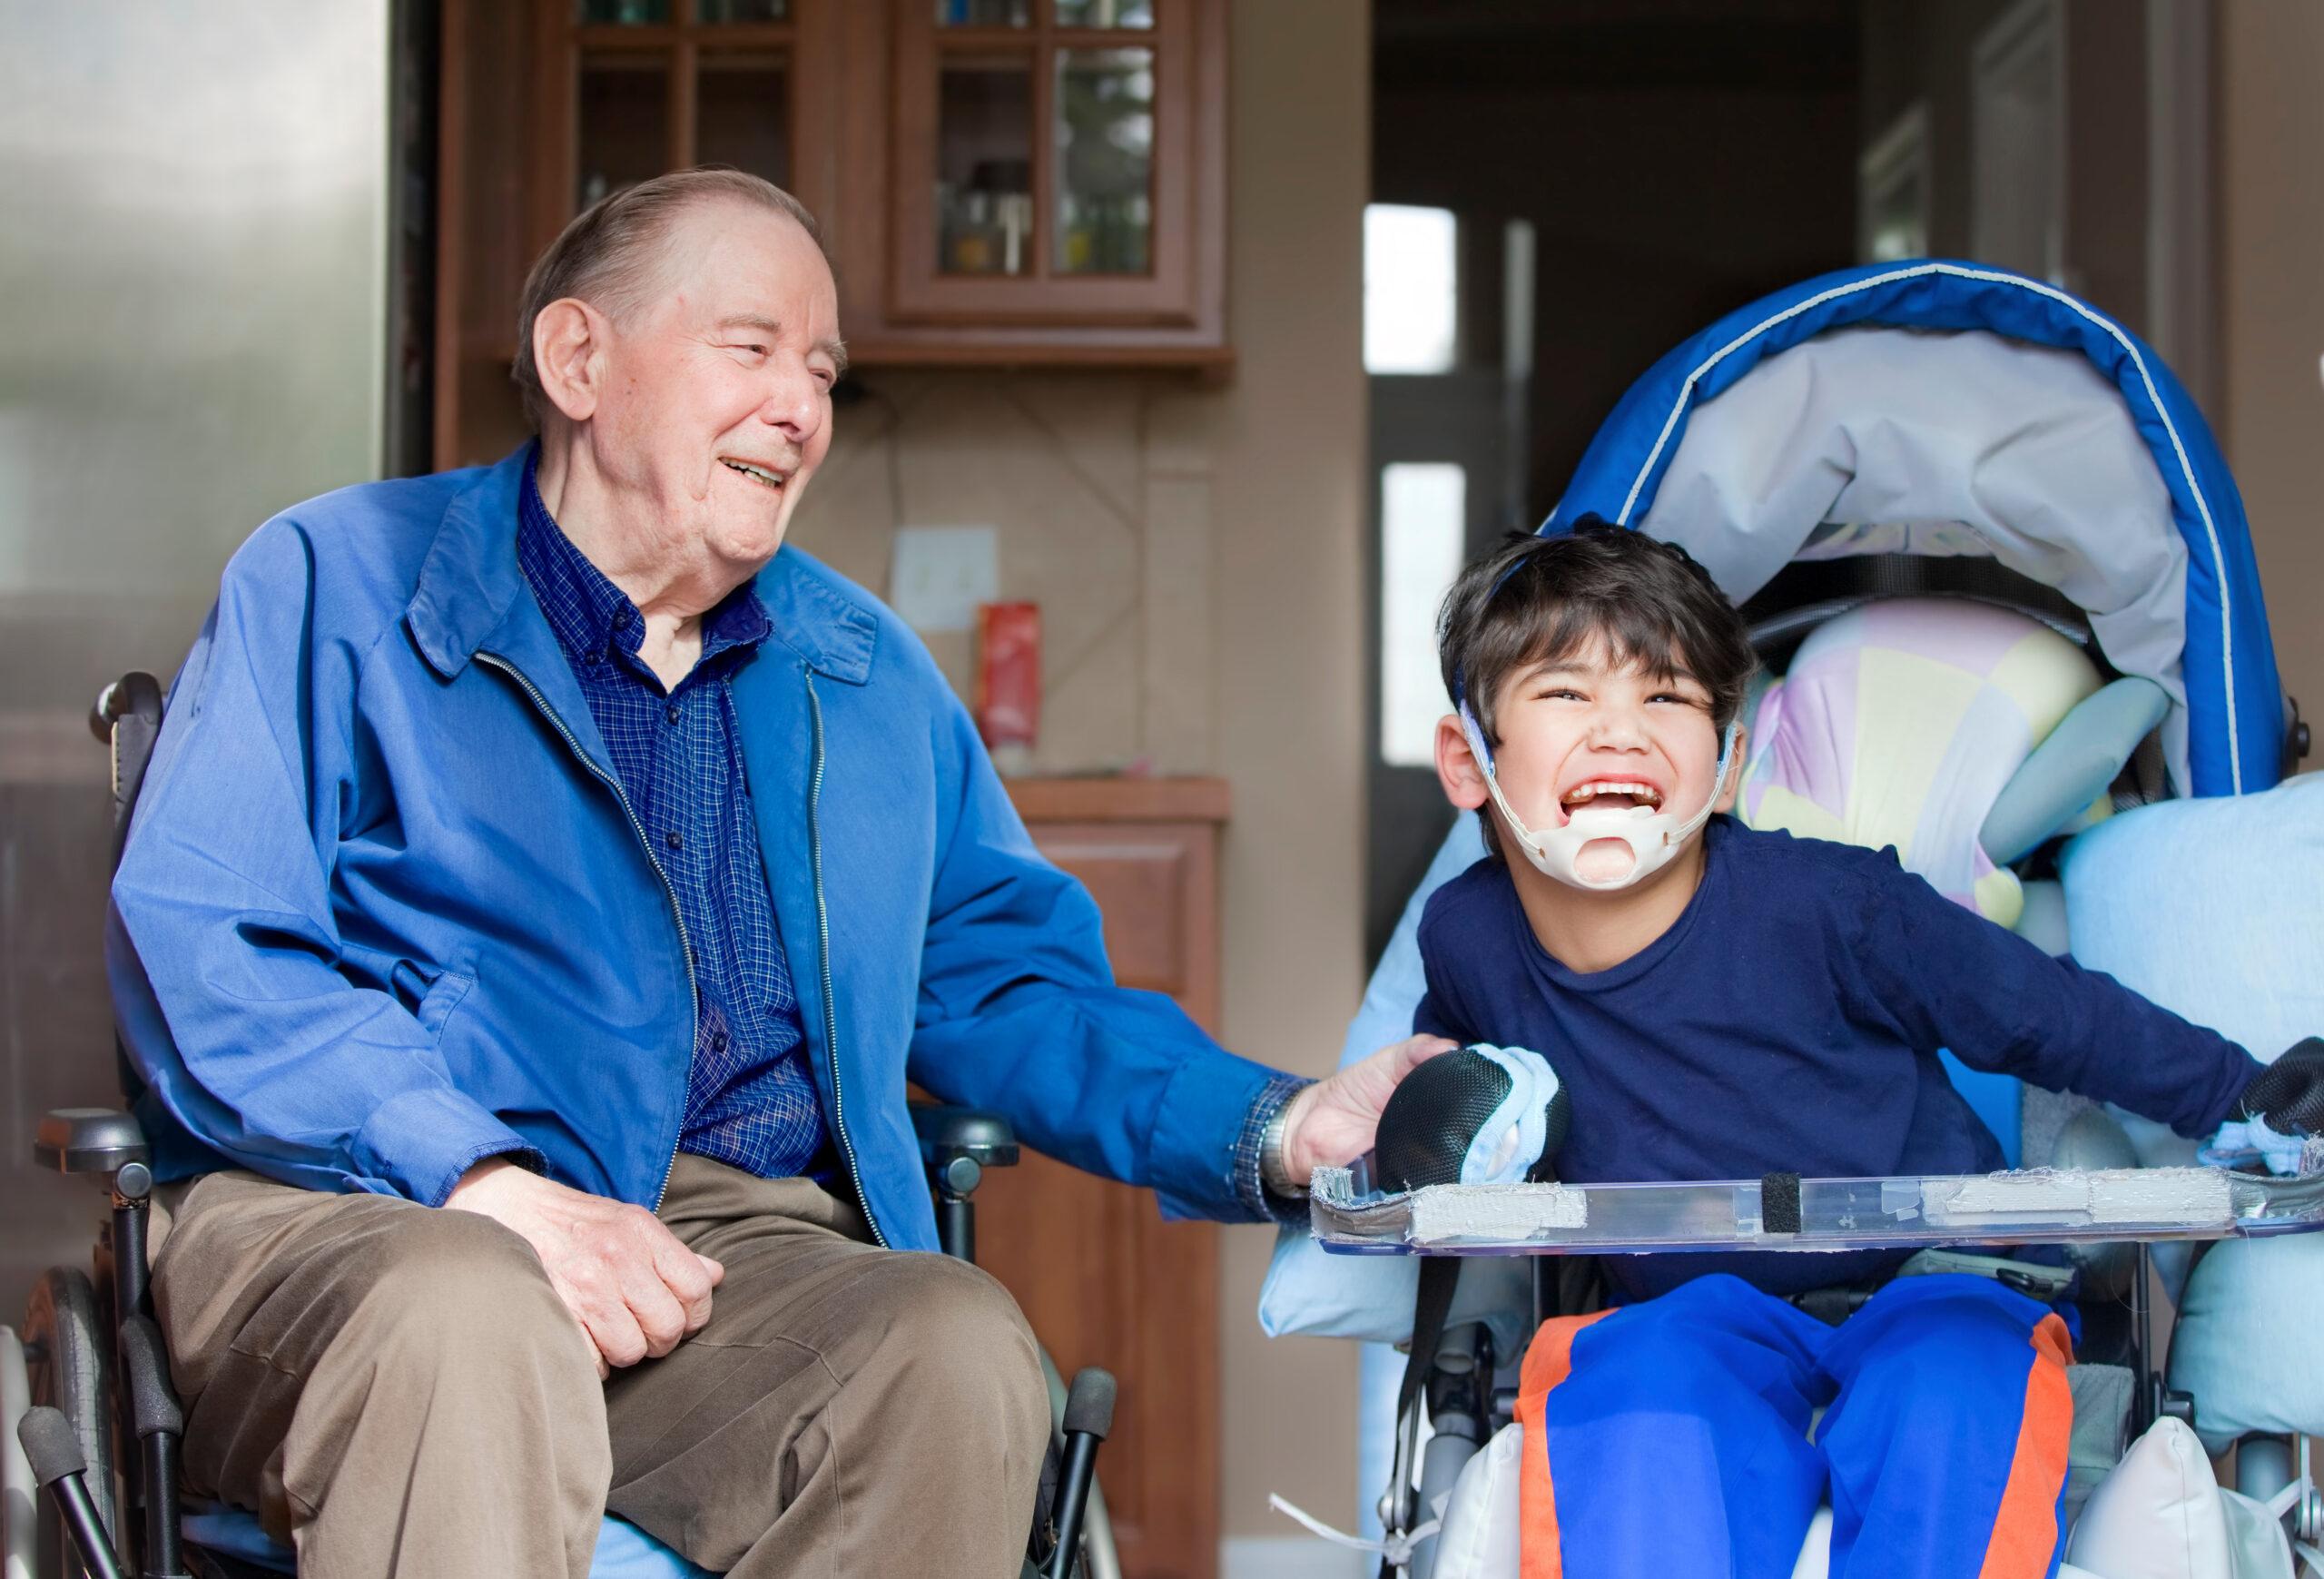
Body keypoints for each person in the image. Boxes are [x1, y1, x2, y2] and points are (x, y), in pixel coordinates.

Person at [107, 168, 1444, 1579]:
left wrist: (1282, 1124)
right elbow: (213, 937)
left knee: (953, 1344)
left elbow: (1008, 982)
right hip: (358, 1214)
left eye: (820, 370)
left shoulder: (857, 672)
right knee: (470, 1311)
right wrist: (481, 1179)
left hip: (722, 1257)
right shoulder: (333, 580)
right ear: (580, 360)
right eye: (750, 349)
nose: (802, 408)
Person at [1416, 522, 2324, 1579]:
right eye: (1568, 693)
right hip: (1682, 1310)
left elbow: (2045, 1013)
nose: (1620, 730)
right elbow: (1444, 1092)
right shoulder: (1466, 937)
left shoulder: (1834, 902)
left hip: (1941, 1279)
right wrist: (1411, 1121)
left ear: (1729, 765)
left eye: (1664, 697)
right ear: (1468, 760)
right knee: (1637, 1394)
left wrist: (2246, 1089)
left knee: (1951, 1391)